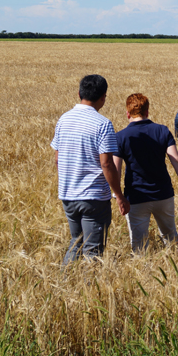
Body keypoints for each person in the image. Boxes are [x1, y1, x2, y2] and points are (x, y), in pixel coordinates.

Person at [51, 74, 129, 264]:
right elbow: (107, 164)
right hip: (93, 197)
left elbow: (57, 158)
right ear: (103, 97)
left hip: (68, 195)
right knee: (93, 251)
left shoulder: (64, 119)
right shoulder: (102, 124)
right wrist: (119, 195)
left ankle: (63, 285)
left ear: (79, 93)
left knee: (75, 242)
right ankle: (87, 290)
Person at [114, 94, 178, 252]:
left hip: (136, 197)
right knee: (171, 238)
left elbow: (115, 169)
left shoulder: (120, 137)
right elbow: (176, 160)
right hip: (163, 195)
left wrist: (118, 196)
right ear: (147, 112)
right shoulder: (162, 131)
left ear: (128, 113)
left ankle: (142, 274)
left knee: (139, 245)